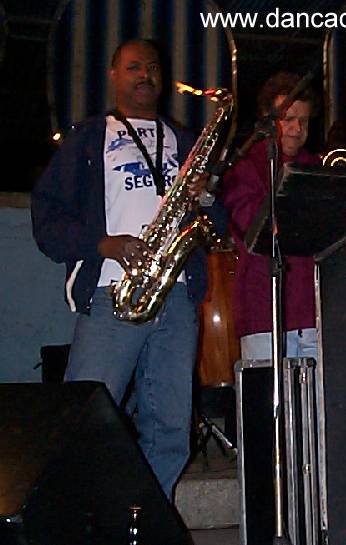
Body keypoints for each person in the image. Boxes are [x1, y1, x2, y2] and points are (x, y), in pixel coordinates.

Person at [31, 39, 227, 500]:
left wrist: (206, 197)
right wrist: (103, 244)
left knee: (172, 433)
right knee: (85, 422)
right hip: (111, 294)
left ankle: (141, 524)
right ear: (114, 75)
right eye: (134, 66)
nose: (146, 75)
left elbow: (217, 229)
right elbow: (46, 219)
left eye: (153, 67)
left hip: (174, 298)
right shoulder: (89, 137)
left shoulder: (182, 140)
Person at [222, 72, 319, 360]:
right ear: (268, 119)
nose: (296, 128)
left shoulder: (314, 165)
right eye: (288, 119)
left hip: (313, 313)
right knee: (267, 401)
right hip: (264, 311)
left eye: (303, 121)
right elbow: (253, 227)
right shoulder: (245, 166)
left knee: (315, 403)